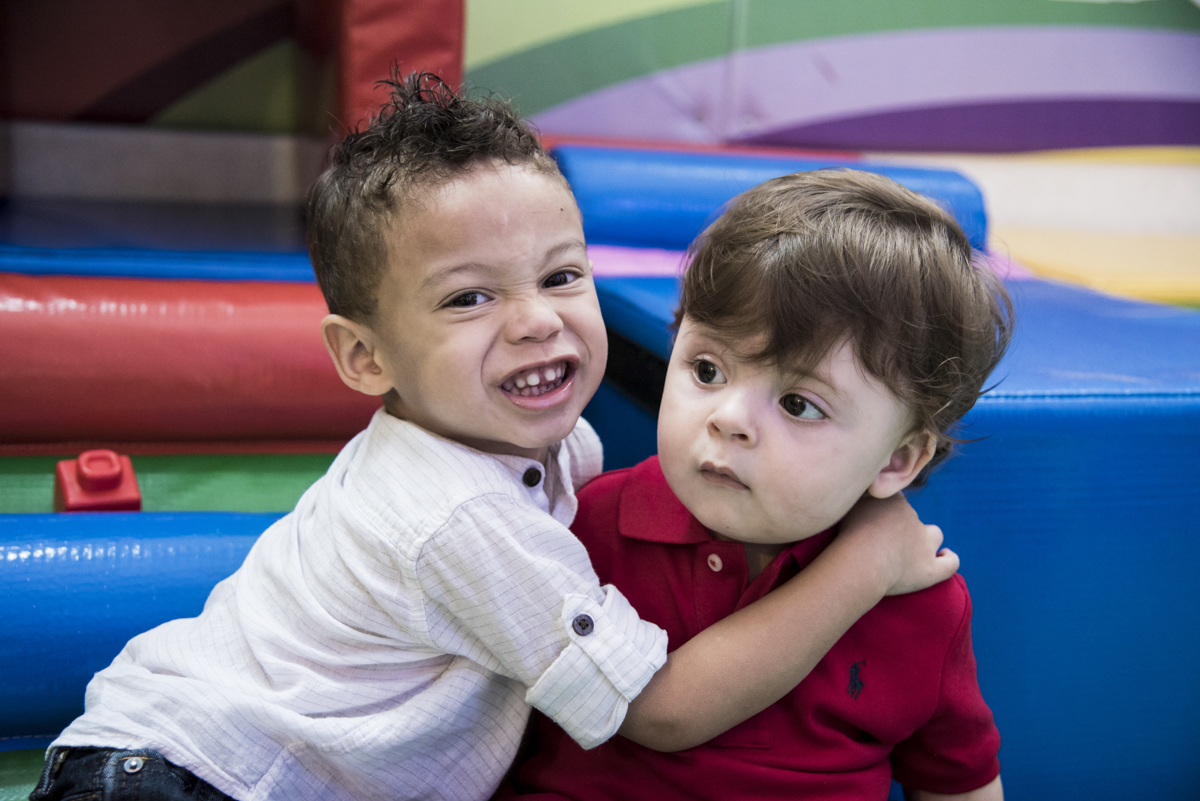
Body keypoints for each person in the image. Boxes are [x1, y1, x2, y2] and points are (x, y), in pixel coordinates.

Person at [30, 76, 958, 801]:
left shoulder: (554, 449)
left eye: (559, 275)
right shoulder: (457, 514)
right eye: (469, 297)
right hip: (191, 776)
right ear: (364, 356)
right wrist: (864, 563)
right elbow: (661, 711)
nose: (534, 322)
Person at [503, 169, 1012, 800]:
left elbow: (958, 780)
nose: (730, 417)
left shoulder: (922, 598)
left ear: (896, 461)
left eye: (799, 404)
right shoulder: (582, 527)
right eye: (707, 368)